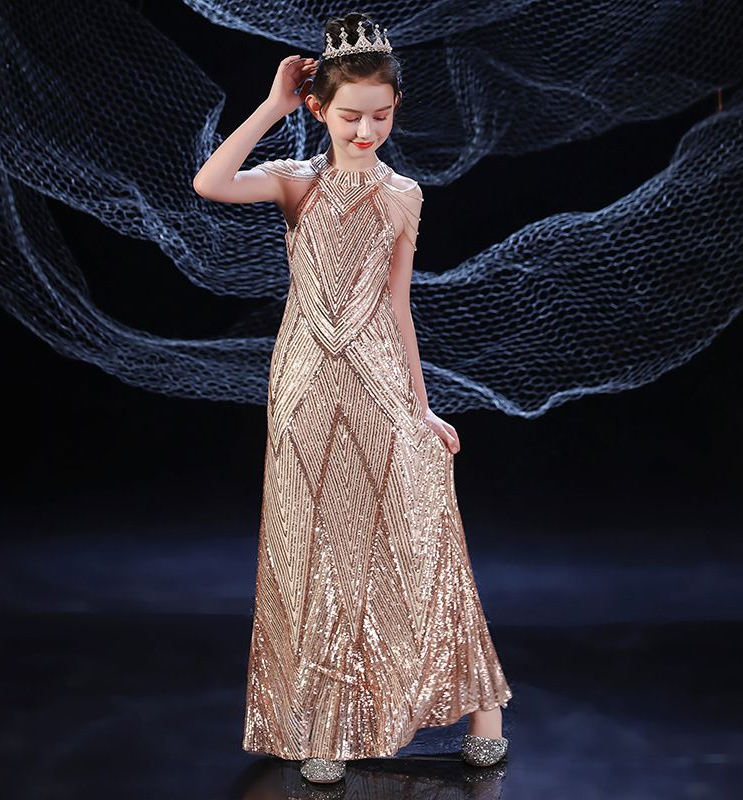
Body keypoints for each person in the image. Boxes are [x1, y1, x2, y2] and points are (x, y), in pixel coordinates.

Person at [193, 11, 513, 785]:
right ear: (319, 110)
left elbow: (399, 306)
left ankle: (482, 710)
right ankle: (325, 725)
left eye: (381, 115)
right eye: (350, 116)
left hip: (378, 382)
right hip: (304, 385)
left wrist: (423, 406)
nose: (366, 131)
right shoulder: (297, 182)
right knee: (314, 555)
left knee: (420, 530)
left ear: (395, 109)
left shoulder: (404, 195)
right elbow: (209, 182)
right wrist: (272, 105)